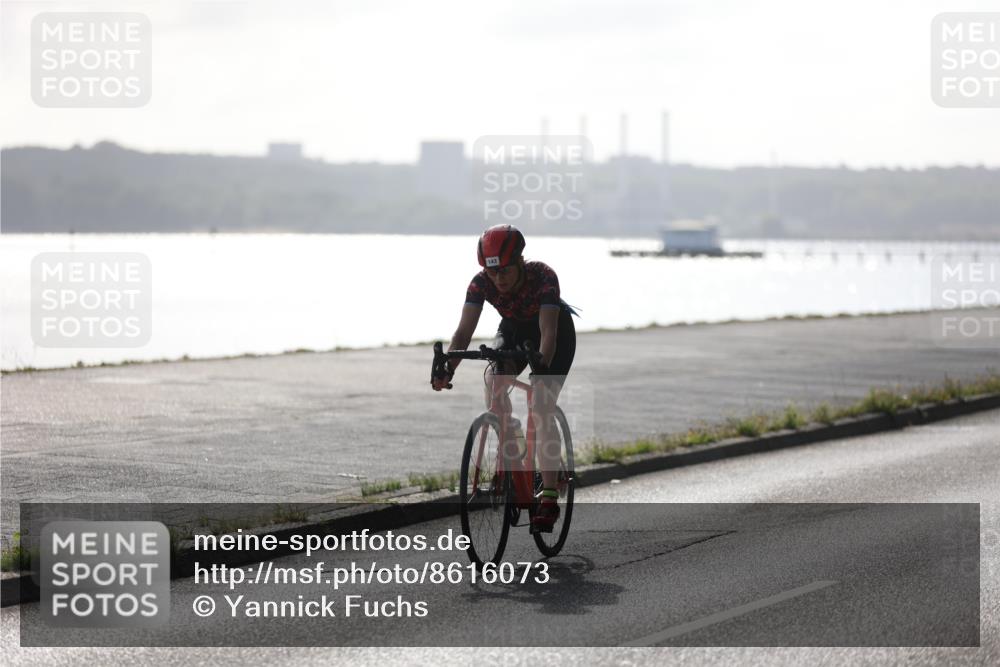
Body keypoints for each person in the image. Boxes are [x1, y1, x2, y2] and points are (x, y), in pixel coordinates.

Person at [431, 224, 576, 532]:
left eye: (506, 271)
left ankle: (548, 496)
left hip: (554, 334)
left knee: (542, 405)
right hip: (512, 330)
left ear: (521, 261)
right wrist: (448, 369)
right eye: (492, 272)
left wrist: (542, 367)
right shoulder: (480, 283)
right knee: (494, 379)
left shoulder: (543, 276)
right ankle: (512, 444)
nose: (499, 279)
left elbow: (548, 332)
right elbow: (463, 332)